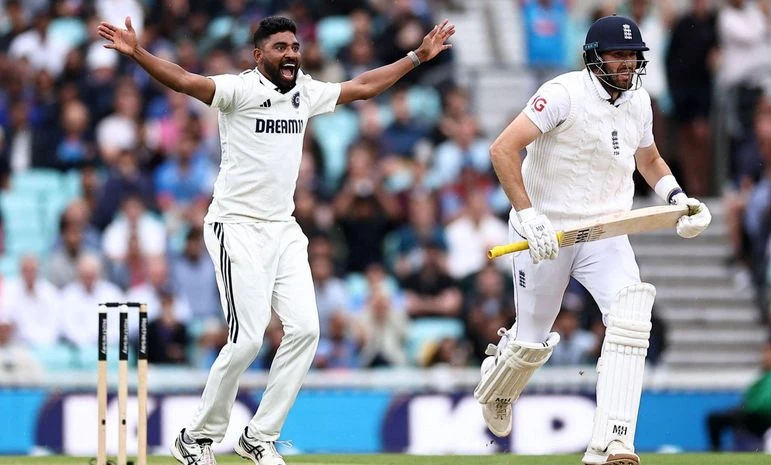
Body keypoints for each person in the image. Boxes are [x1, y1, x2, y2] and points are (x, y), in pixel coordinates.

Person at [98, 14, 454, 465]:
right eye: (280, 48)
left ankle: (258, 436)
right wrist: (138, 54)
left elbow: (362, 86)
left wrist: (417, 57)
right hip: (236, 225)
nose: (290, 54)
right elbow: (187, 81)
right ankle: (196, 438)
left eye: (294, 47)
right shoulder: (240, 90)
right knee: (247, 339)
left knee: (307, 330)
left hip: (283, 229)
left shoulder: (305, 91)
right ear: (258, 54)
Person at [473, 15, 712, 465]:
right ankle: (497, 386)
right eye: (617, 55)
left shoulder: (640, 101)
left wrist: (679, 198)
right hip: (547, 232)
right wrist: (530, 217)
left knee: (631, 314)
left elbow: (651, 158)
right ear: (594, 57)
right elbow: (502, 149)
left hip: (606, 229)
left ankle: (612, 442)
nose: (626, 64)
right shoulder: (562, 94)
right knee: (530, 341)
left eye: (632, 56)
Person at [706, 341, 771, 451]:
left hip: (763, 418)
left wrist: (748, 406)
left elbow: (768, 404)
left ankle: (719, 452)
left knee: (717, 419)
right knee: (721, 418)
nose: (764, 356)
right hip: (757, 414)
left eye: (767, 352)